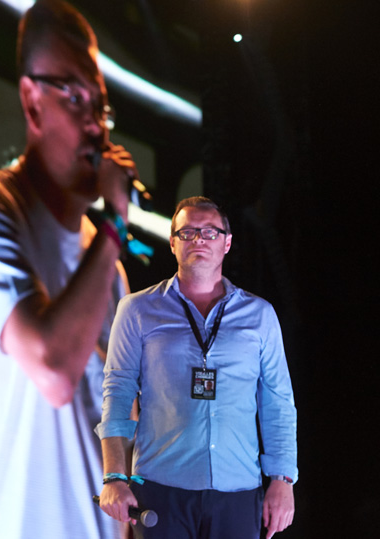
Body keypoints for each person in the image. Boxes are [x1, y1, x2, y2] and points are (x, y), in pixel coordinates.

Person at [0, 1, 141, 537]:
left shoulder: (103, 262)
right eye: (74, 96)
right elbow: (54, 369)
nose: (95, 126)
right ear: (31, 101)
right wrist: (115, 227)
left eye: (101, 106)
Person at [96, 196, 298, 539]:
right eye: (187, 233)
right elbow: (117, 393)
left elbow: (278, 403)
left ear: (227, 242)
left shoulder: (260, 315)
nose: (199, 240)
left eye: (209, 232)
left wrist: (282, 480)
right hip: (160, 488)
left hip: (238, 490)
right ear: (173, 242)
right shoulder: (137, 310)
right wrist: (114, 476)